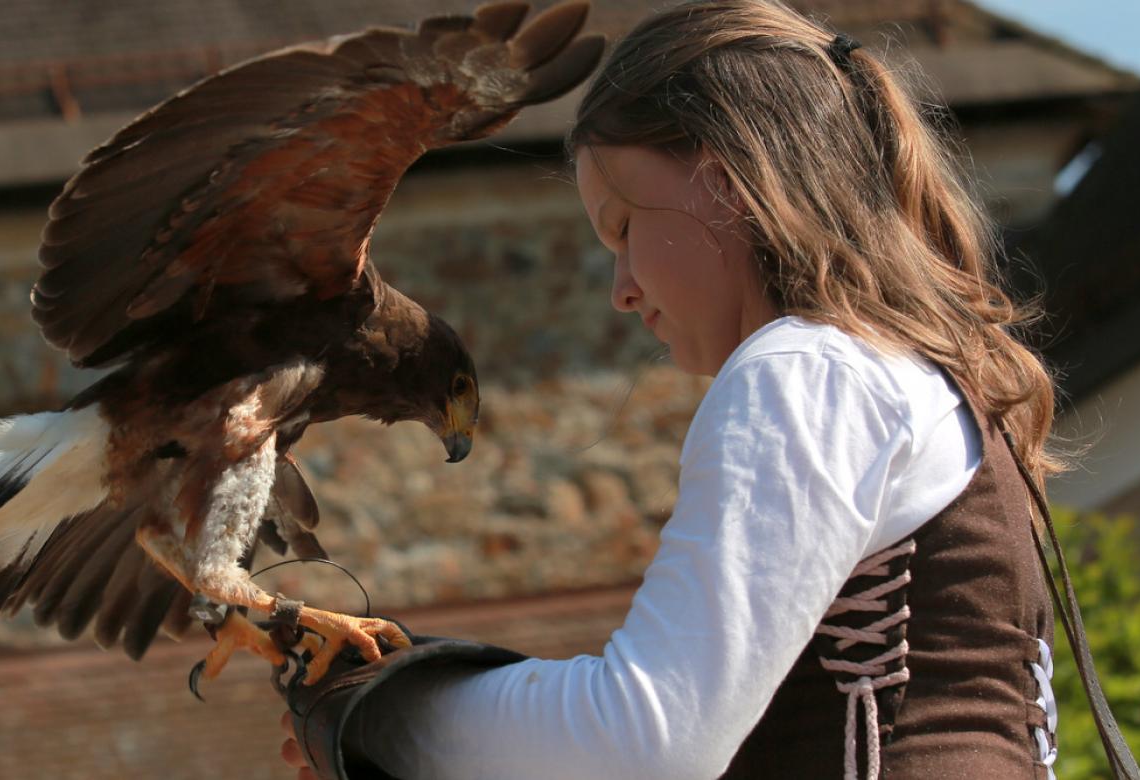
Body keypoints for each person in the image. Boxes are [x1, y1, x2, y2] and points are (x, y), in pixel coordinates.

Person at [280, 1, 1073, 777]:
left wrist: (381, 714)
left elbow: (646, 739)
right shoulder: (930, 384)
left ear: (727, 183)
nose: (620, 289)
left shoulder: (806, 370)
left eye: (623, 228)